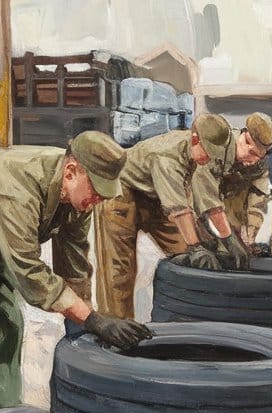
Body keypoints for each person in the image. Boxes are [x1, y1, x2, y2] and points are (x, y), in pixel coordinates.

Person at [0, 130, 152, 413]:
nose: (98, 200)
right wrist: (94, 319)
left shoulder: (80, 198)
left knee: (6, 325)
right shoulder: (17, 188)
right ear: (71, 171)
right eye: (96, 190)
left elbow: (75, 264)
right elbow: (29, 273)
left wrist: (82, 329)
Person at [94, 113, 234, 318]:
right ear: (195, 139)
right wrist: (196, 247)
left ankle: (191, 319)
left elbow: (201, 198)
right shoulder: (168, 156)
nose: (210, 158)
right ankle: (117, 331)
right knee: (118, 273)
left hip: (154, 195)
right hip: (121, 191)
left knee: (186, 254)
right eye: (208, 152)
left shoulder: (199, 154)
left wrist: (220, 239)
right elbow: (178, 208)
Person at [180, 111, 272, 270]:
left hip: (228, 214)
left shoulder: (258, 164)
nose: (252, 161)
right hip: (197, 204)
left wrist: (249, 238)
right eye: (251, 153)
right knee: (199, 257)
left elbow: (257, 200)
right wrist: (229, 240)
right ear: (244, 137)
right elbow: (206, 200)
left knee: (231, 255)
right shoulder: (215, 145)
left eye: (259, 157)